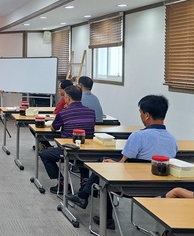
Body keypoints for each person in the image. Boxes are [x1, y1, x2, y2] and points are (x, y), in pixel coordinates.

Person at [66, 95, 178, 230]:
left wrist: (110, 162)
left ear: (147, 115)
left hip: (130, 186)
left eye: (141, 113)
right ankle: (84, 196)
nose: (141, 116)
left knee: (104, 167)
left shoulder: (138, 136)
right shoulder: (172, 140)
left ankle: (99, 211)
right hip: (160, 188)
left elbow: (124, 163)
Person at [39, 85, 95, 194]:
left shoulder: (63, 113)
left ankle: (62, 183)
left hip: (68, 150)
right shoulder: (91, 112)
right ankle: (85, 183)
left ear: (68, 98)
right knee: (81, 156)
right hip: (88, 150)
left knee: (44, 154)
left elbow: (53, 128)